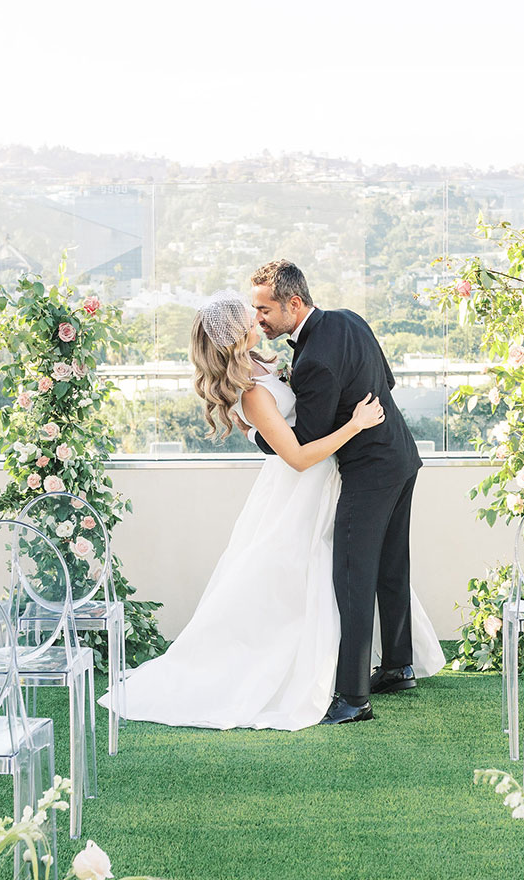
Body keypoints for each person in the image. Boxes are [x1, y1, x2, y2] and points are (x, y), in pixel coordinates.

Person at [100, 287, 442, 730]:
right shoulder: (254, 389)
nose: (259, 320)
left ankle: (389, 669)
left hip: (326, 476)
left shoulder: (265, 361)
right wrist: (353, 425)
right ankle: (347, 682)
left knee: (352, 569)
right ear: (235, 336)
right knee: (298, 574)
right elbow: (296, 455)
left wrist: (264, 433)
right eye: (251, 317)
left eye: (261, 311)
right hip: (302, 478)